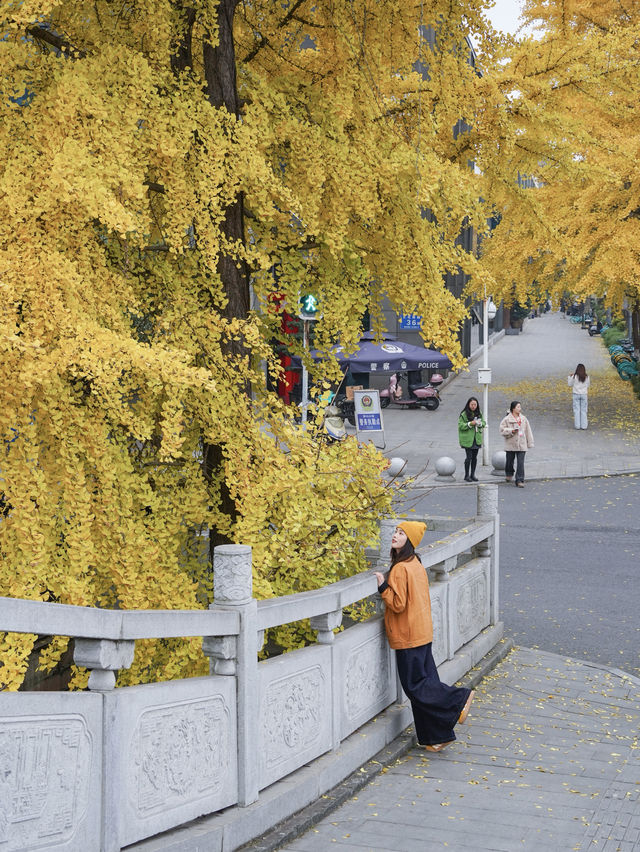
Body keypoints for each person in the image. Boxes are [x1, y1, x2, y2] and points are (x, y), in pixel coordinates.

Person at [374, 521, 474, 753]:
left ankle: (459, 698)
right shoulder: (415, 562)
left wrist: (382, 587)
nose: (395, 536)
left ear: (409, 540)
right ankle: (437, 736)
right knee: (425, 683)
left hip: (407, 635)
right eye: (396, 532)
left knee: (416, 687)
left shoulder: (400, 568)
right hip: (421, 632)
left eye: (401, 533)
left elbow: (398, 605)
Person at [499, 401, 534, 487]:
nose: (519, 409)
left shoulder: (523, 419)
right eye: (518, 407)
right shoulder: (507, 419)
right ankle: (509, 473)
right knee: (509, 461)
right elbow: (502, 430)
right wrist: (511, 431)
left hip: (522, 443)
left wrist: (530, 442)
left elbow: (528, 431)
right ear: (513, 408)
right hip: (510, 443)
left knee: (520, 463)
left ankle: (520, 480)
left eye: (520, 407)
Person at [458, 397, 486, 482]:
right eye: (472, 404)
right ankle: (466, 475)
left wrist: (480, 423)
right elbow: (460, 426)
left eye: (475, 404)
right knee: (468, 457)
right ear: (468, 404)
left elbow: (484, 423)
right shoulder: (464, 414)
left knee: (475, 457)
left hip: (476, 438)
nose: (473, 406)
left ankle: (472, 474)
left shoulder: (479, 413)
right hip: (468, 439)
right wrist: (470, 423)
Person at [568, 363, 590, 429]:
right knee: (584, 410)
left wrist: (570, 377)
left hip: (576, 394)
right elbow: (588, 385)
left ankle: (577, 426)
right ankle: (584, 426)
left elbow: (569, 384)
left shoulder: (574, 376)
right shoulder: (587, 377)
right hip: (584, 394)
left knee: (576, 410)